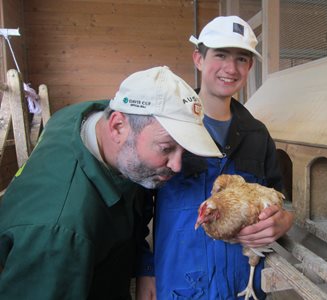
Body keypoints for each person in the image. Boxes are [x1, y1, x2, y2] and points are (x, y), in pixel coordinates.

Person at [0, 66, 222, 300]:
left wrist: (143, 265)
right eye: (166, 148)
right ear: (118, 126)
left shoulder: (87, 116)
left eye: (183, 150)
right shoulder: (61, 234)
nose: (177, 165)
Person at [136, 16, 294, 299]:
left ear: (250, 66)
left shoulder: (257, 135)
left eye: (242, 59)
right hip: (182, 283)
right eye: (221, 55)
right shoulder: (167, 129)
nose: (231, 69)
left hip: (244, 285)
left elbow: (280, 196)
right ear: (199, 58)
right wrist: (145, 269)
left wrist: (283, 221)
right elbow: (137, 207)